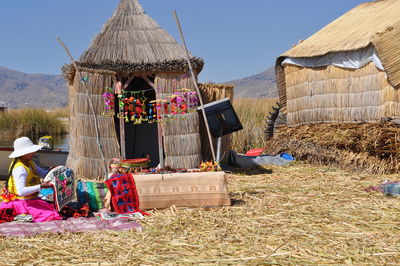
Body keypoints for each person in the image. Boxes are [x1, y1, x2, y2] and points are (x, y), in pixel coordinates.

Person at [0, 137, 62, 222]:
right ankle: (19, 215)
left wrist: (55, 171)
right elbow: (20, 191)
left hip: (32, 199)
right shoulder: (20, 169)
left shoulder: (29, 162)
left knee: (53, 210)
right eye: (30, 151)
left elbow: (43, 173)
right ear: (23, 153)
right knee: (51, 215)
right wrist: (41, 186)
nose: (33, 152)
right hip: (22, 203)